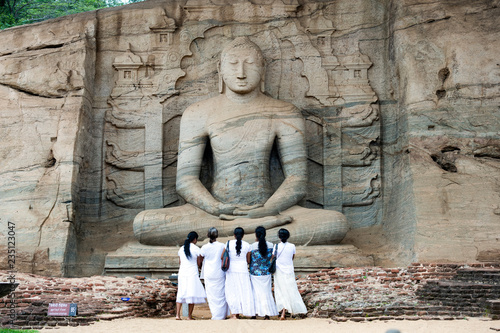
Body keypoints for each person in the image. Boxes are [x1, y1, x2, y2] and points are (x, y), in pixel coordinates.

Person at [133, 37, 348, 246]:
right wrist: (215, 207)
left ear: (263, 69)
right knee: (144, 224)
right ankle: (249, 233)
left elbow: (297, 180)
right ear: (220, 69)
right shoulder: (198, 113)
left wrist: (267, 209)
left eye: (250, 64)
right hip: (214, 214)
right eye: (233, 64)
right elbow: (186, 181)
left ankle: (222, 240)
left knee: (335, 223)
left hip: (270, 210)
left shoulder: (284, 112)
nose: (241, 73)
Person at [273, 228, 307, 320]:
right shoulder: (292, 246)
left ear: (279, 236)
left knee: (281, 291)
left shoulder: (276, 246)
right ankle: (300, 310)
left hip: (279, 270)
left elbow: (273, 258)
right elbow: (292, 258)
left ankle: (283, 313)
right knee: (291, 290)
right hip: (289, 270)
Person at [221, 227, 255, 319]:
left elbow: (222, 256)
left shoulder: (228, 243)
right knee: (243, 291)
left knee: (232, 291)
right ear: (243, 235)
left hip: (231, 271)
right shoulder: (247, 245)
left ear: (234, 235)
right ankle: (243, 311)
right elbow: (248, 260)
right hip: (243, 270)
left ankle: (234, 314)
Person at [248, 226, 279, 319]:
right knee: (266, 293)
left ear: (255, 235)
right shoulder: (271, 245)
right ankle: (266, 314)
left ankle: (254, 314)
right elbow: (272, 258)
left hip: (255, 273)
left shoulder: (252, 246)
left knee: (255, 293)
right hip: (266, 272)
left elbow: (249, 260)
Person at [199, 227, 229, 320]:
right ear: (217, 235)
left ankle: (215, 314)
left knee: (211, 295)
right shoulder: (222, 246)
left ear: (207, 235)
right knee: (221, 293)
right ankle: (222, 315)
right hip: (219, 272)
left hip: (209, 273)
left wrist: (201, 268)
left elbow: (200, 260)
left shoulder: (204, 247)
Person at [175, 231, 206, 320]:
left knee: (181, 292)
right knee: (191, 293)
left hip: (182, 272)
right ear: (195, 239)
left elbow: (180, 262)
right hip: (192, 272)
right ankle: (189, 316)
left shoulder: (181, 249)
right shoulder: (196, 249)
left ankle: (177, 315)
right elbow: (199, 262)